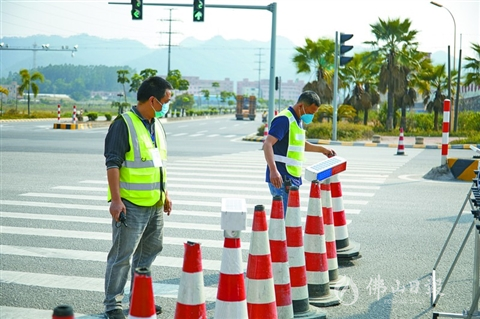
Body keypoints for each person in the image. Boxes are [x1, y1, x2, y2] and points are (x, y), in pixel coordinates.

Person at [103, 76, 173, 319]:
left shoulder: (156, 124)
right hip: (130, 204)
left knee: (149, 252)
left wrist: (166, 195)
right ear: (152, 100)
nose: (167, 105)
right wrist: (116, 200)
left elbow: (158, 164)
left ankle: (138, 299)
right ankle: (113, 305)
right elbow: (113, 163)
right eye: (166, 100)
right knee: (122, 255)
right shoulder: (124, 124)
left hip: (154, 202)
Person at [263, 90, 336, 215]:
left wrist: (323, 150)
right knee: (285, 222)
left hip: (292, 178)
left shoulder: (297, 120)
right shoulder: (284, 119)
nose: (310, 116)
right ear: (301, 106)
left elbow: (300, 144)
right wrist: (274, 171)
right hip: (281, 178)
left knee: (290, 221)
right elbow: (267, 144)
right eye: (310, 112)